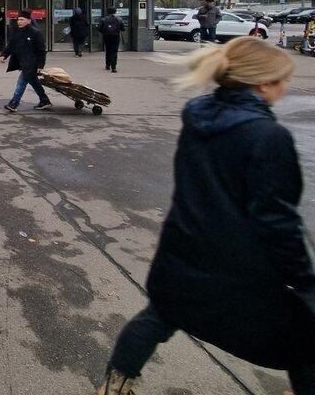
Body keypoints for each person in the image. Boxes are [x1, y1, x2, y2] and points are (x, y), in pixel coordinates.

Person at [96, 37, 314, 395]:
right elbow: (277, 221)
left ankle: (115, 385)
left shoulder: (199, 113)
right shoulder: (267, 136)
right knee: (305, 341)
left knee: (160, 315)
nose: (285, 87)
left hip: (184, 244)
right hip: (238, 264)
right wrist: (303, 280)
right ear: (262, 83)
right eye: (281, 80)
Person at [0, 10, 50, 112]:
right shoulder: (16, 31)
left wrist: (40, 65)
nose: (19, 21)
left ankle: (14, 103)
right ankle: (44, 100)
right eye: (18, 19)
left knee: (21, 82)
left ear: (28, 21)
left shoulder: (35, 33)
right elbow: (10, 45)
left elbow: (41, 51)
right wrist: (4, 55)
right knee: (33, 82)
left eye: (22, 20)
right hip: (21, 62)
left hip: (31, 63)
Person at [97, 7, 126, 73]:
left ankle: (107, 65)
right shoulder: (119, 19)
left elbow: (99, 28)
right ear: (115, 12)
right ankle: (114, 67)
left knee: (108, 50)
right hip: (115, 36)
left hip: (107, 36)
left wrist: (104, 32)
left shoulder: (103, 19)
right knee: (114, 52)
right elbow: (123, 28)